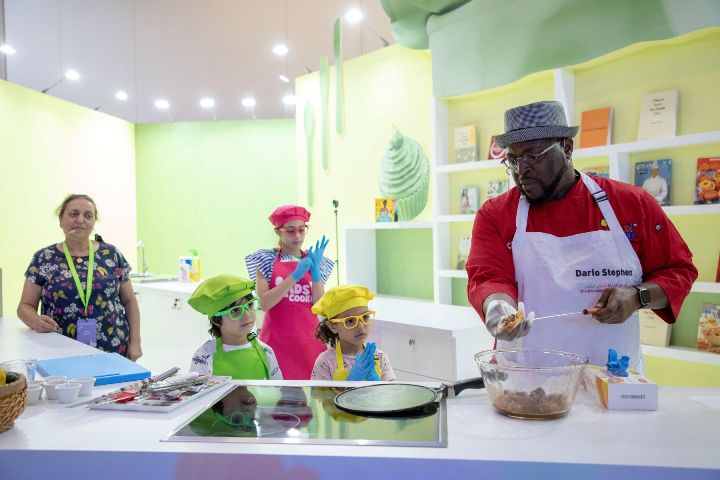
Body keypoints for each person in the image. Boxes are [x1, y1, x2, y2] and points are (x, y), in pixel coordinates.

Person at [466, 101, 698, 370]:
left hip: (613, 381)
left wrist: (638, 296)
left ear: (566, 146)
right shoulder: (496, 214)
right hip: (526, 379)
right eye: (513, 160)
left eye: (532, 156)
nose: (521, 170)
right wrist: (497, 306)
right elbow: (489, 276)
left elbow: (679, 270)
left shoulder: (631, 204)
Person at [17, 194, 142, 360]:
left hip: (113, 348)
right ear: (61, 220)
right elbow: (24, 306)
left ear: (94, 223)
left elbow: (129, 301)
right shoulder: (44, 258)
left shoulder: (111, 254)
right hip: (58, 349)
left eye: (88, 215)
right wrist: (35, 320)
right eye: (73, 214)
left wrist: (135, 342)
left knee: (115, 387)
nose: (81, 220)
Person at [245, 205, 334, 379]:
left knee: (313, 400)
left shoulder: (315, 259)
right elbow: (264, 303)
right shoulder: (266, 260)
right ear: (278, 231)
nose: (297, 236)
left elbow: (319, 306)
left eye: (302, 230)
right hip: (277, 345)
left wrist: (315, 273)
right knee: (279, 400)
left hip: (310, 344)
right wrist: (294, 276)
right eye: (290, 231)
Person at [187, 274, 282, 380]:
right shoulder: (204, 356)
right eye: (235, 310)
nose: (247, 315)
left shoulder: (266, 351)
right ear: (216, 320)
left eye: (250, 305)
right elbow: (197, 394)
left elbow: (278, 390)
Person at [311, 285, 396, 381]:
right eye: (350, 321)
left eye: (365, 317)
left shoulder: (379, 358)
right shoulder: (325, 362)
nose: (361, 326)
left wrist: (378, 384)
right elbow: (319, 395)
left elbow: (392, 394)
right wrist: (350, 383)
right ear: (333, 326)